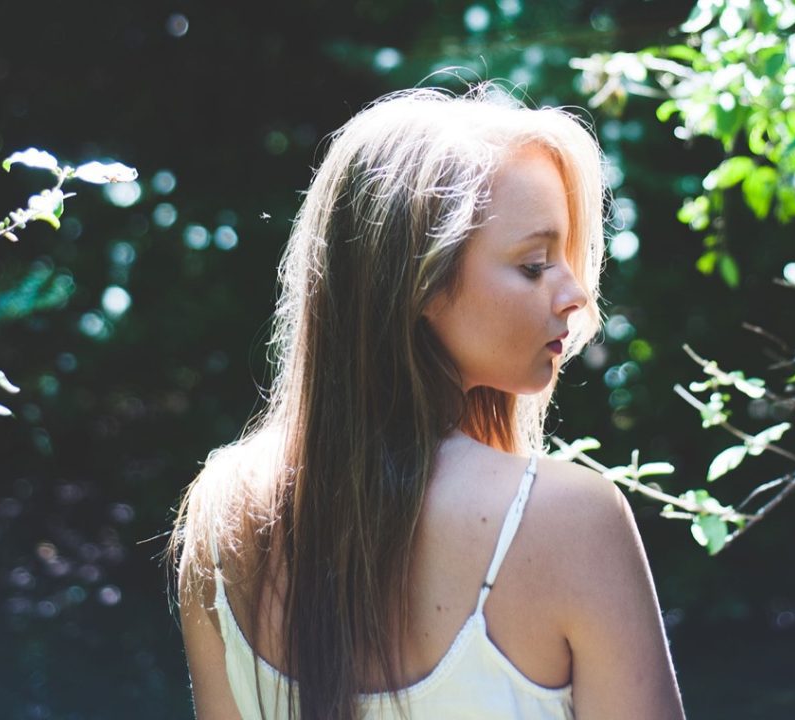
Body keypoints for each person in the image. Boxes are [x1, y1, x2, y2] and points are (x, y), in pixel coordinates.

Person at [168, 84, 685, 720]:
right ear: (418, 285)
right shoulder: (572, 520)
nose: (575, 294)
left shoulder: (222, 515)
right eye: (534, 265)